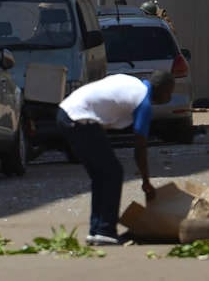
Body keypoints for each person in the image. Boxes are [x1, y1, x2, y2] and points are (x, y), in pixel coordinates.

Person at [55, 70, 175, 246]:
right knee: (113, 173)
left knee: (100, 175)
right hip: (80, 117)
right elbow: (140, 148)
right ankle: (105, 231)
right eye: (170, 92)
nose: (170, 97)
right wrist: (146, 182)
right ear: (161, 88)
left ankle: (96, 230)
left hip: (65, 113)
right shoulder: (143, 103)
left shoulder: (132, 85)